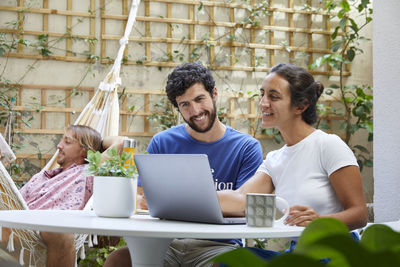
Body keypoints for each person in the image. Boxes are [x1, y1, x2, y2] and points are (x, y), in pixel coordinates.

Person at [104, 62, 264, 267]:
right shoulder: (163, 142)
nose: (195, 110)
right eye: (185, 104)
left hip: (217, 247)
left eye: (199, 99)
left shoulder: (245, 147)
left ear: (214, 94)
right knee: (118, 261)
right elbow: (142, 199)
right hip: (165, 244)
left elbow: (244, 204)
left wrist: (174, 200)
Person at [217, 63, 367, 258]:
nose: (263, 103)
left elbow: (359, 213)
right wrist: (186, 198)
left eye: (273, 96)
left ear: (301, 106)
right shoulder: (274, 159)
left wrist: (319, 221)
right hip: (299, 254)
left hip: (336, 252)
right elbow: (242, 200)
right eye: (262, 94)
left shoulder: (328, 145)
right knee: (232, 260)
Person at [1, 125, 124, 267]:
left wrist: (99, 143)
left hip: (48, 230)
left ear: (84, 151)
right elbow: (12, 205)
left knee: (60, 231)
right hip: (16, 227)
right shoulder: (41, 176)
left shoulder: (89, 171)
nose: (59, 146)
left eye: (67, 142)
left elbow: (121, 142)